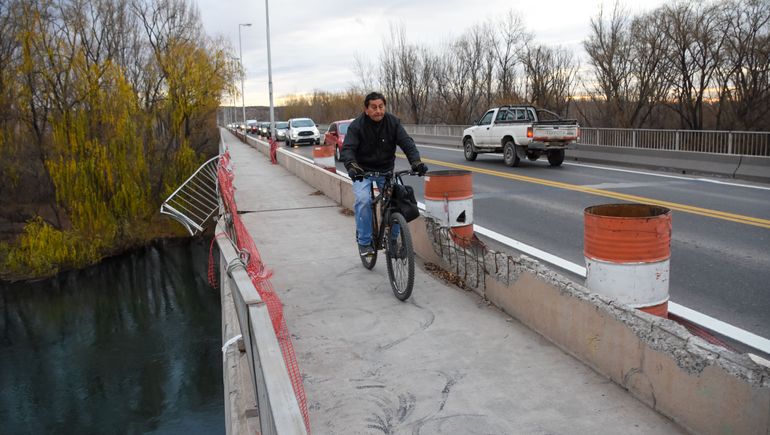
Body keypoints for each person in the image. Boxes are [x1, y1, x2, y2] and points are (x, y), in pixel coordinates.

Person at [340, 92, 428, 257]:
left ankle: (392, 240)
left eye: (381, 107)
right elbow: (348, 149)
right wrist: (352, 166)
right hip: (363, 173)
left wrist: (416, 162)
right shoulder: (357, 126)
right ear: (366, 109)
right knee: (364, 201)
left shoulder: (393, 123)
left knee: (399, 200)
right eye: (374, 107)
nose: (378, 111)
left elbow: (407, 143)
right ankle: (365, 243)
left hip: (386, 172)